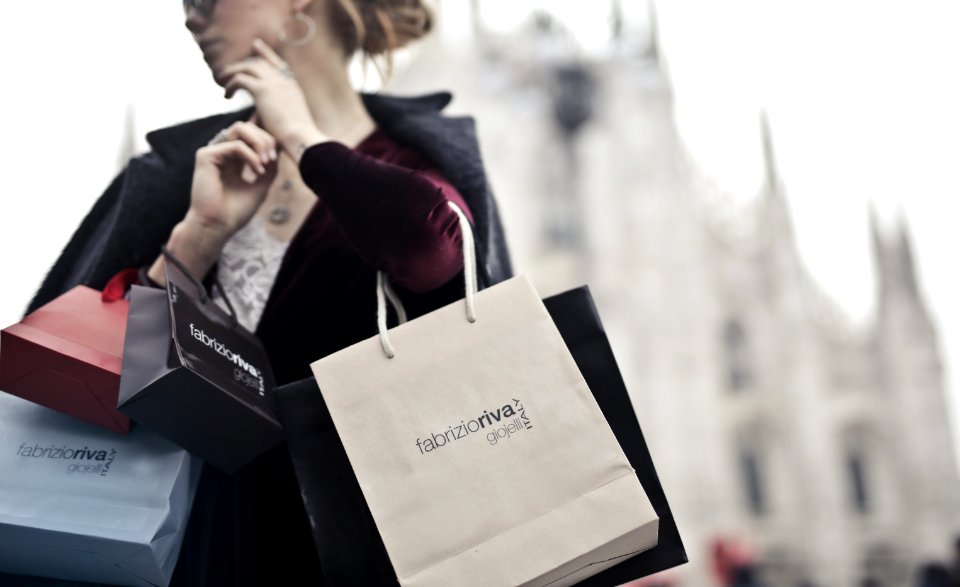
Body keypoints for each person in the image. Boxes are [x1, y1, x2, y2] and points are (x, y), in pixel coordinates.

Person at [25, 0, 512, 585]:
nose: (189, 19)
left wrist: (306, 141)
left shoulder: (414, 170)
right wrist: (198, 236)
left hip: (342, 549)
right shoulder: (182, 173)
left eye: (204, 1)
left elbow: (431, 251)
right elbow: (82, 375)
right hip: (177, 545)